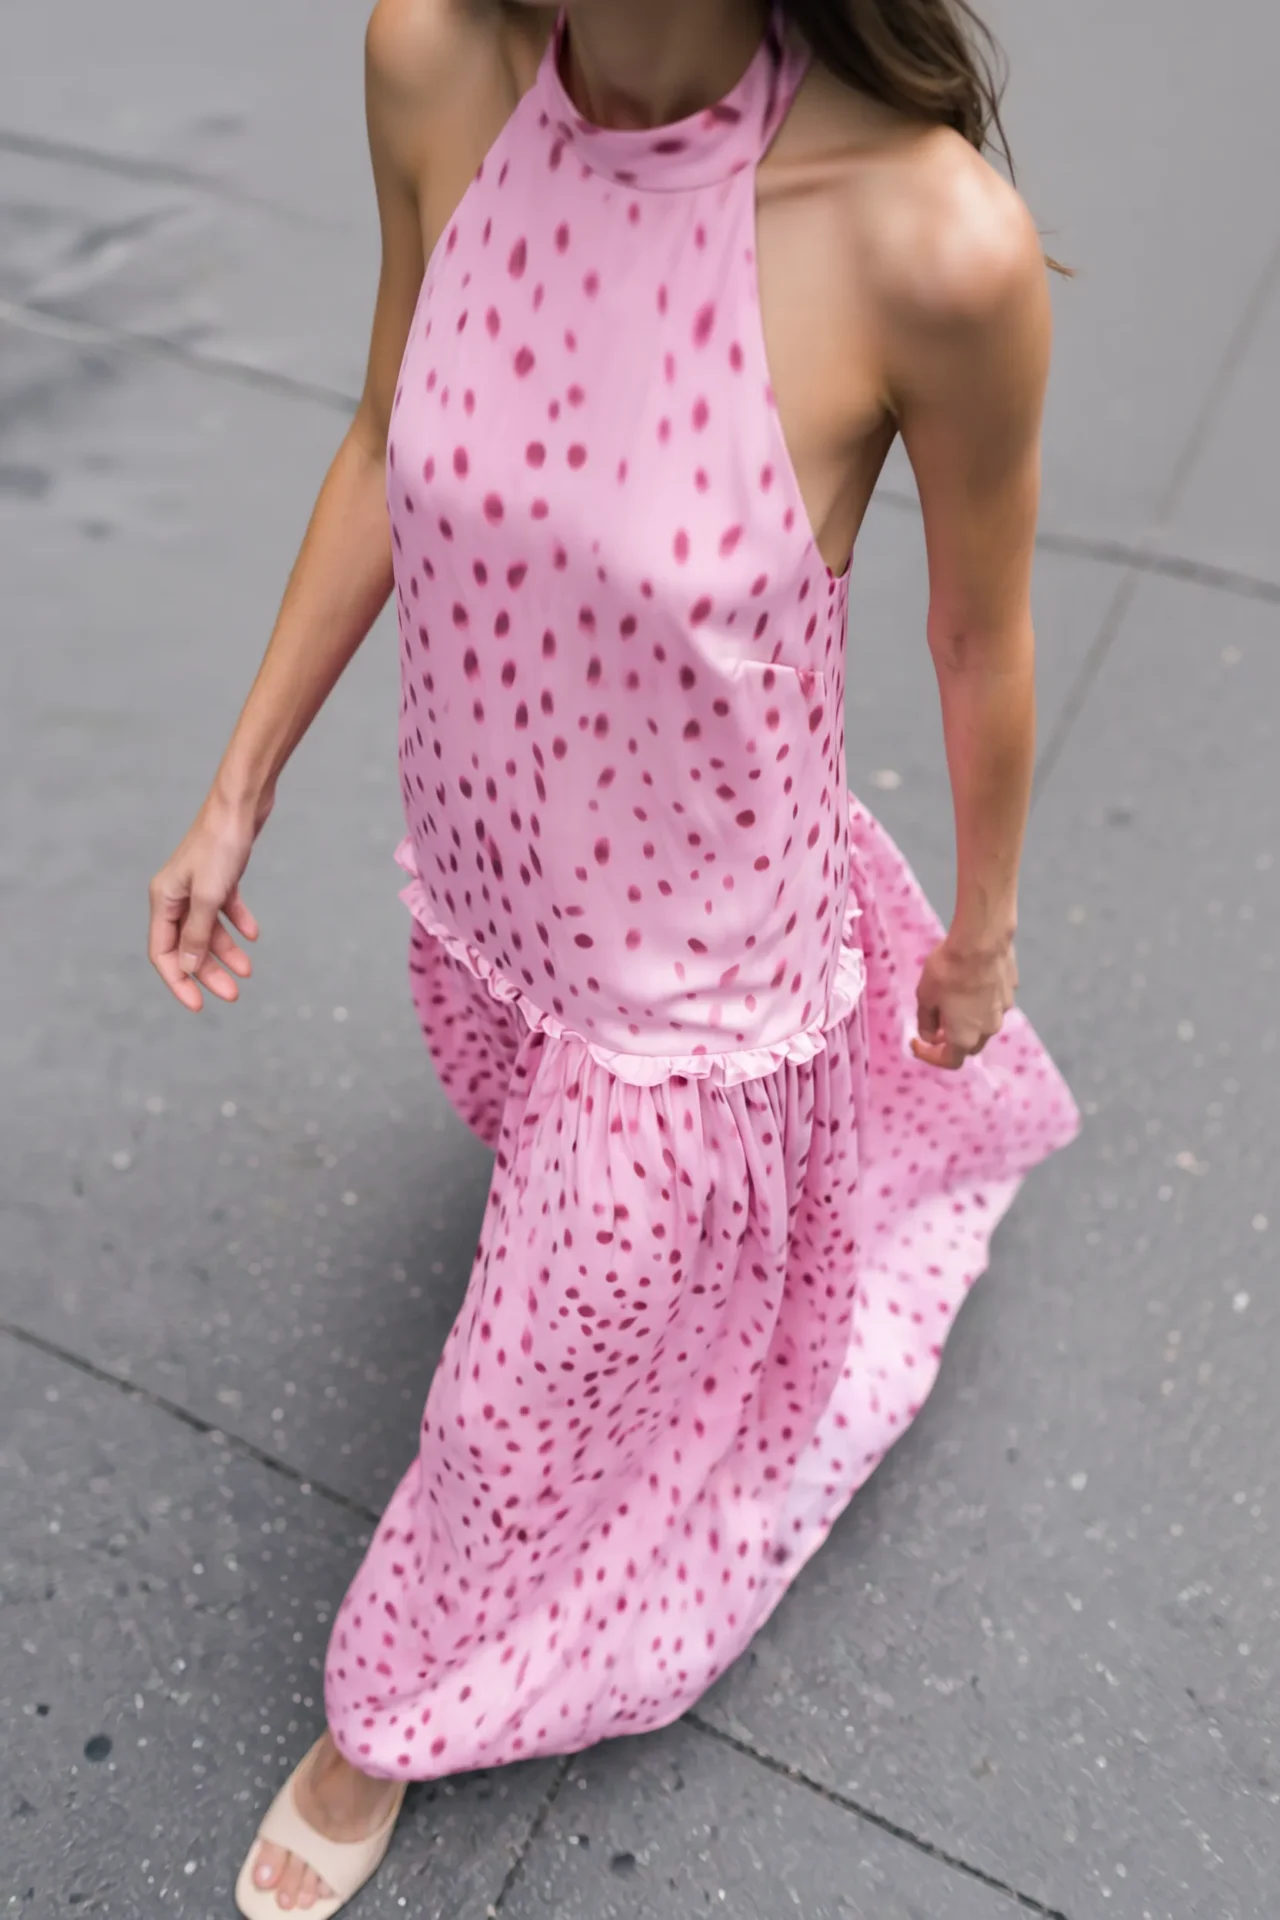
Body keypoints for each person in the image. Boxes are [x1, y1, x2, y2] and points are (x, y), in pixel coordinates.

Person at [146, 0, 1082, 1911]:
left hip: (691, 1005)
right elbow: (384, 424)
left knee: (509, 1415)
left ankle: (389, 1708)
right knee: (587, 1283)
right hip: (493, 880)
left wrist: (983, 933)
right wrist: (240, 784)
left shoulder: (930, 243)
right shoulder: (432, 58)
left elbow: (979, 636)